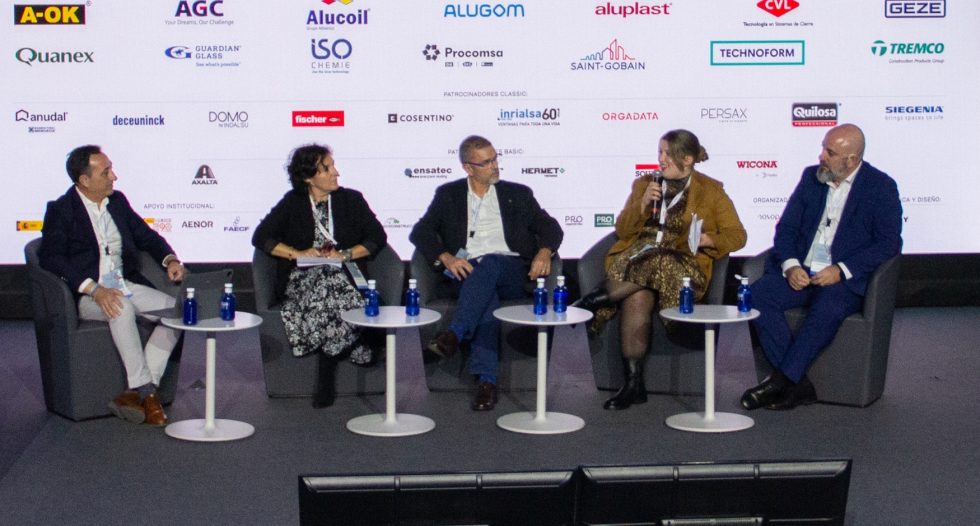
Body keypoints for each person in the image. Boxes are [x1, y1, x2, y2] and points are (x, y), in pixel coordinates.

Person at [574, 130, 746, 410]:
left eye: (668, 154)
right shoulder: (644, 184)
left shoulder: (711, 190)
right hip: (637, 262)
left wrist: (707, 239)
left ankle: (587, 304)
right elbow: (623, 231)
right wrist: (642, 204)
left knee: (660, 258)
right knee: (636, 295)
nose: (661, 159)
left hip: (681, 266)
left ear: (687, 159)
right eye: (660, 152)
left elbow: (737, 235)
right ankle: (634, 385)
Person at [742, 123, 902, 411]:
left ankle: (781, 381)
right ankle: (797, 385)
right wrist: (791, 266)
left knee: (826, 309)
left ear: (851, 160)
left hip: (842, 279)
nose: (821, 157)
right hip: (802, 271)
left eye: (830, 152)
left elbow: (888, 243)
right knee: (756, 295)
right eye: (823, 149)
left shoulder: (881, 187)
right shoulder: (811, 178)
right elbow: (786, 229)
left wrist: (841, 269)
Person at [410, 135, 563, 411]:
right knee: (485, 296)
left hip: (510, 270)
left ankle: (455, 333)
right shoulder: (448, 195)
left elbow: (551, 227)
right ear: (468, 168)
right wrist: (445, 257)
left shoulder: (518, 194)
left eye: (495, 159)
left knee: (490, 262)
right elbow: (420, 232)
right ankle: (487, 383)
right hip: (468, 271)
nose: (495, 166)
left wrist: (544, 252)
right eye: (486, 162)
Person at [38, 145, 188, 426]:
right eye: (106, 172)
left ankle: (138, 391)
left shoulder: (117, 202)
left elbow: (146, 236)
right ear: (84, 180)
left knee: (178, 312)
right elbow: (51, 257)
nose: (114, 177)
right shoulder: (61, 210)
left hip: (124, 284)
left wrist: (169, 260)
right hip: (88, 294)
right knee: (121, 307)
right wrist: (94, 289)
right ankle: (147, 394)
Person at [252, 144, 387, 408]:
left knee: (331, 279)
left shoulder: (351, 200)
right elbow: (261, 237)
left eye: (333, 166)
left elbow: (377, 237)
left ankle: (327, 365)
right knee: (325, 278)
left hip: (346, 273)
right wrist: (297, 253)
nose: (336, 172)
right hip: (302, 277)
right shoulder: (293, 202)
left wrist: (345, 254)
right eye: (326, 168)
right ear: (308, 177)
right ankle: (366, 338)